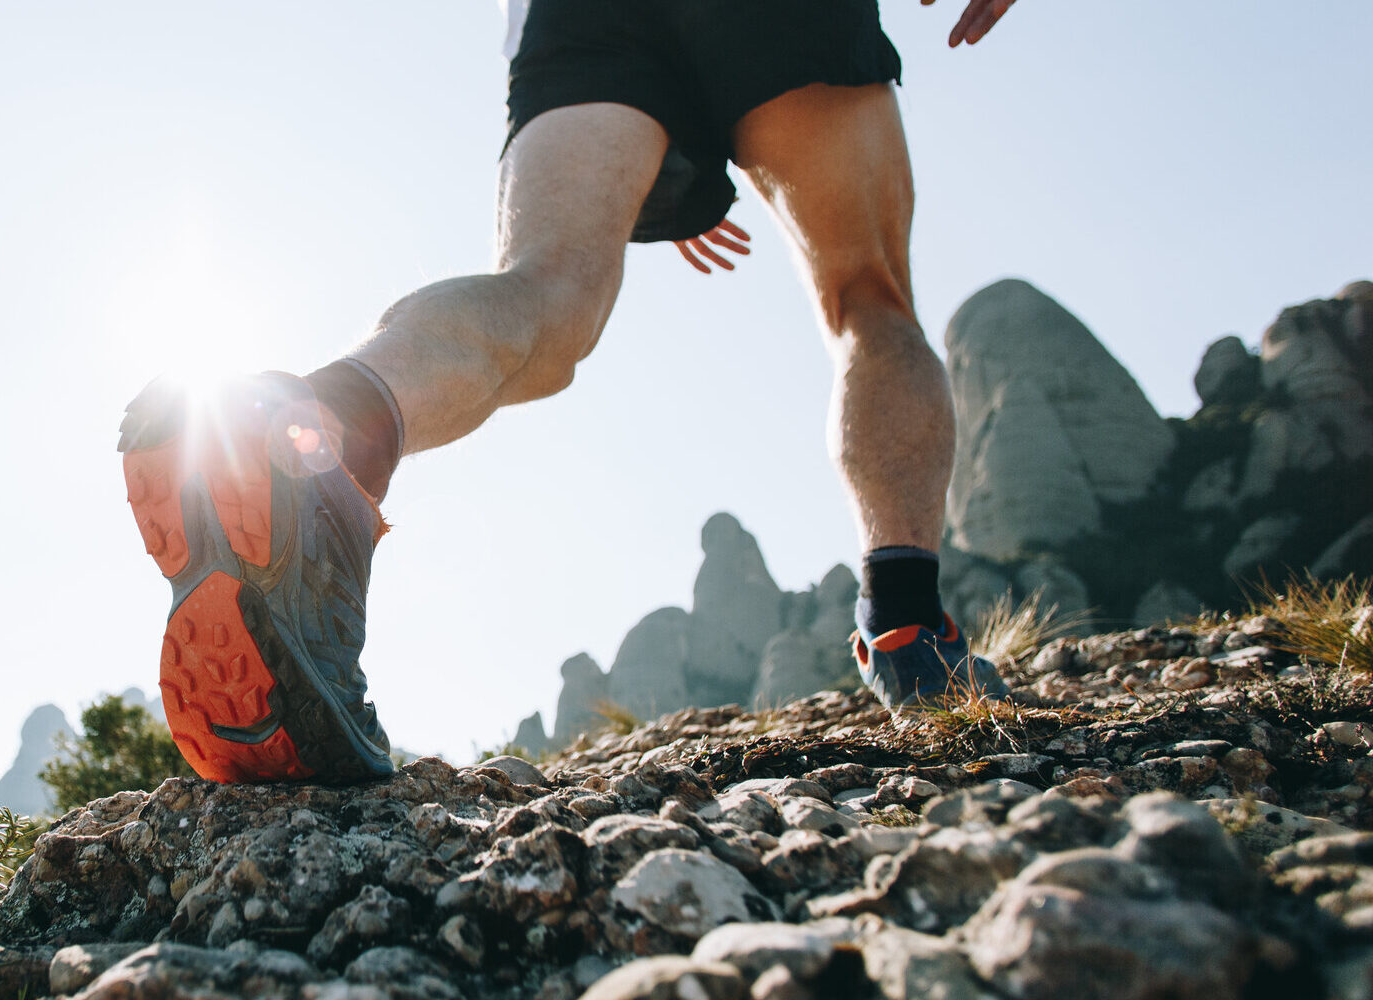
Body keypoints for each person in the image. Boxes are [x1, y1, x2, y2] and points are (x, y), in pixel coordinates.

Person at [118, 0, 1019, 784]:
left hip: (582, 20)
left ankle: (305, 428)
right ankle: (907, 629)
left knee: (547, 298)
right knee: (868, 298)